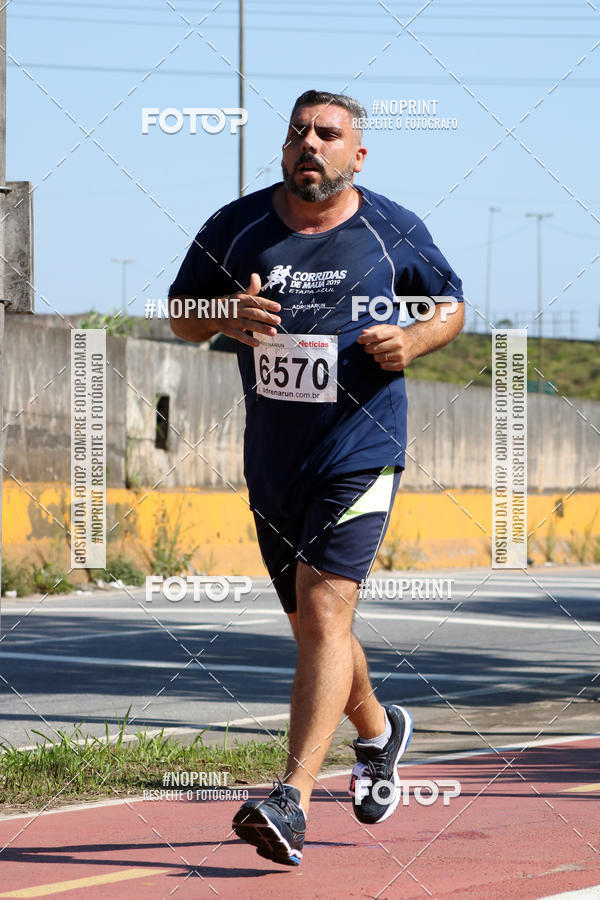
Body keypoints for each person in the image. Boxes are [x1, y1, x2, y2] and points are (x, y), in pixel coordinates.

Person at [169, 89, 464, 866]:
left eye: (327, 134)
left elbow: (451, 305)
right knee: (314, 625)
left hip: (359, 448)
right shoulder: (236, 226)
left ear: (356, 155)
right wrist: (224, 312)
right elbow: (179, 314)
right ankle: (378, 731)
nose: (310, 143)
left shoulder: (391, 226)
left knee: (326, 607)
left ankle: (290, 799)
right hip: (274, 457)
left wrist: (415, 339)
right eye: (298, 131)